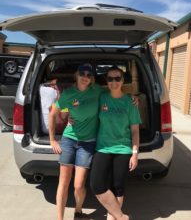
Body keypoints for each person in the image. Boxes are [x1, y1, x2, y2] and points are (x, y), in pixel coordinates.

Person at [49, 63, 103, 220]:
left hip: (87, 143)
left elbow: (116, 92)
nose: (85, 77)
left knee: (79, 185)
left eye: (89, 75)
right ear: (76, 75)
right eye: (82, 74)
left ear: (92, 79)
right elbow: (53, 114)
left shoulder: (97, 91)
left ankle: (78, 211)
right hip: (69, 140)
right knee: (63, 182)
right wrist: (52, 139)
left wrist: (132, 97)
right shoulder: (68, 94)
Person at [90, 65, 141, 220]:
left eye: (117, 78)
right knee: (97, 185)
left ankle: (112, 218)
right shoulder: (101, 97)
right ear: (106, 81)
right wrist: (69, 115)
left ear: (122, 80)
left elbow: (135, 131)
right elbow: (82, 101)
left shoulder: (130, 102)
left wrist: (135, 154)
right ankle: (121, 217)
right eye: (110, 78)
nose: (114, 81)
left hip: (123, 149)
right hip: (103, 148)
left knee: (118, 186)